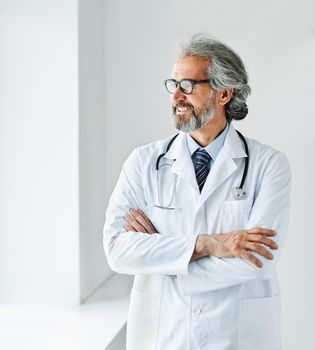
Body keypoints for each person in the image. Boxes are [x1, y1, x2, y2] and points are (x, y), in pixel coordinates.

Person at [103, 34, 291, 350]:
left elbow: (258, 258)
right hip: (165, 334)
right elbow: (117, 250)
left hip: (237, 335)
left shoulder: (269, 165)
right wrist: (207, 244)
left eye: (188, 85)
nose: (176, 95)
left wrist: (165, 259)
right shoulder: (144, 162)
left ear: (224, 94)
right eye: (173, 84)